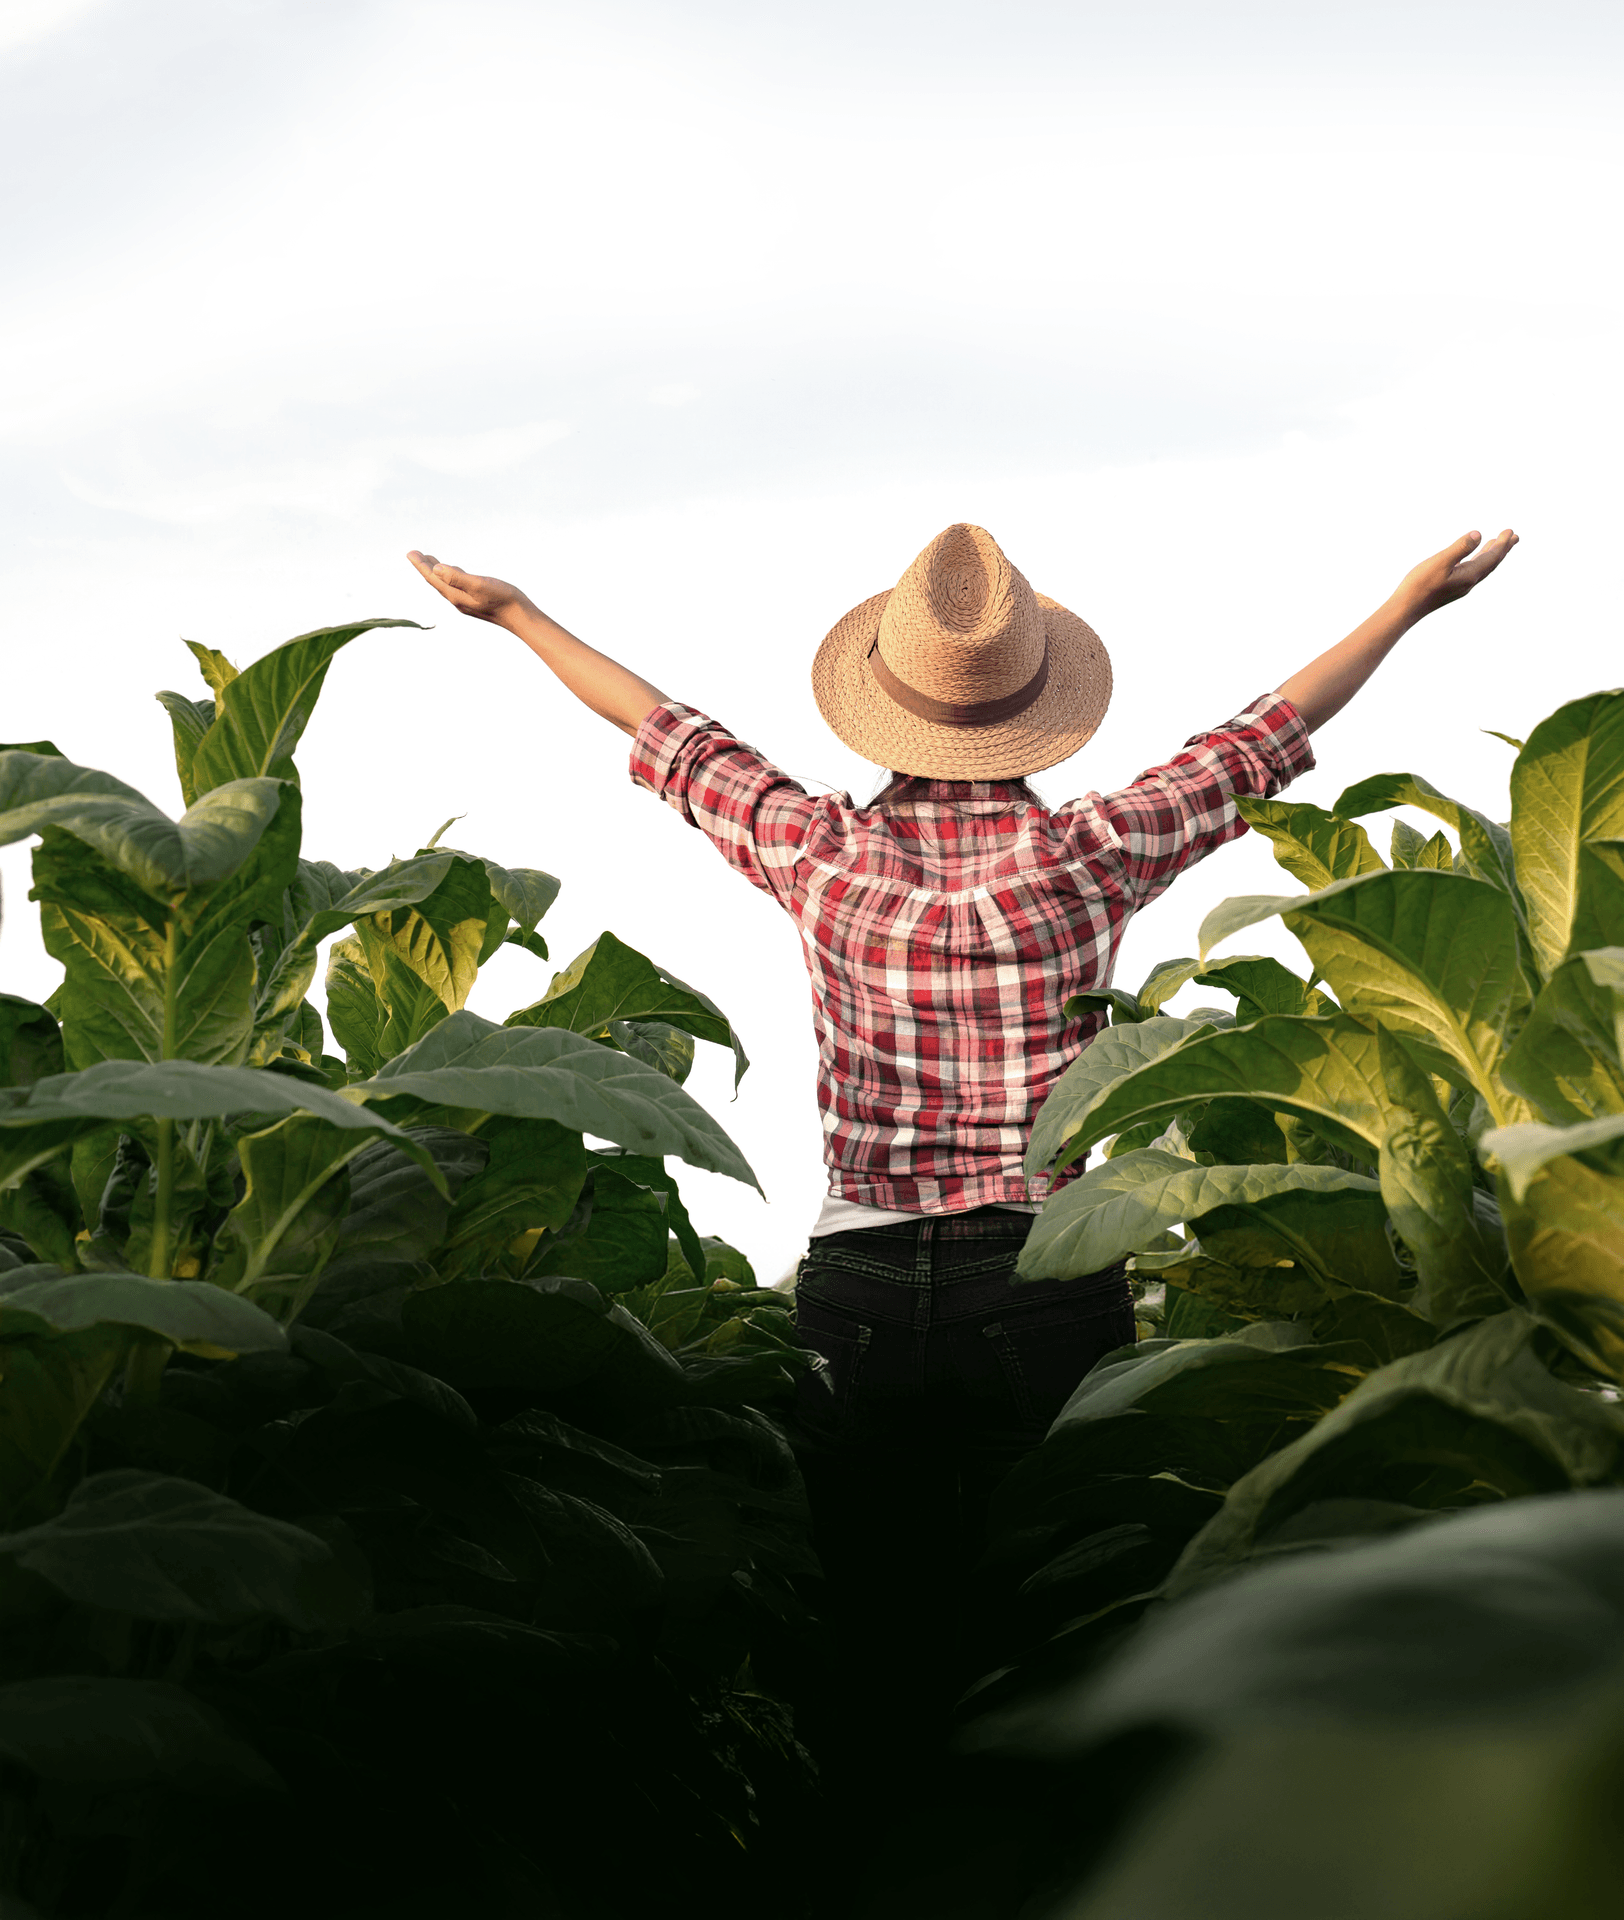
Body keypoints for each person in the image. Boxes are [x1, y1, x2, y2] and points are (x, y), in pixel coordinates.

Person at [405, 519, 1518, 1804]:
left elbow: (667, 732)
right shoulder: (1091, 853)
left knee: (874, 1640)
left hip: (860, 1285)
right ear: (1036, 709)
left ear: (883, 706)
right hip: (1047, 1273)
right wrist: (1403, 608)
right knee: (1064, 1619)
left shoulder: (816, 849)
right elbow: (1256, 739)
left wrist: (517, 613)